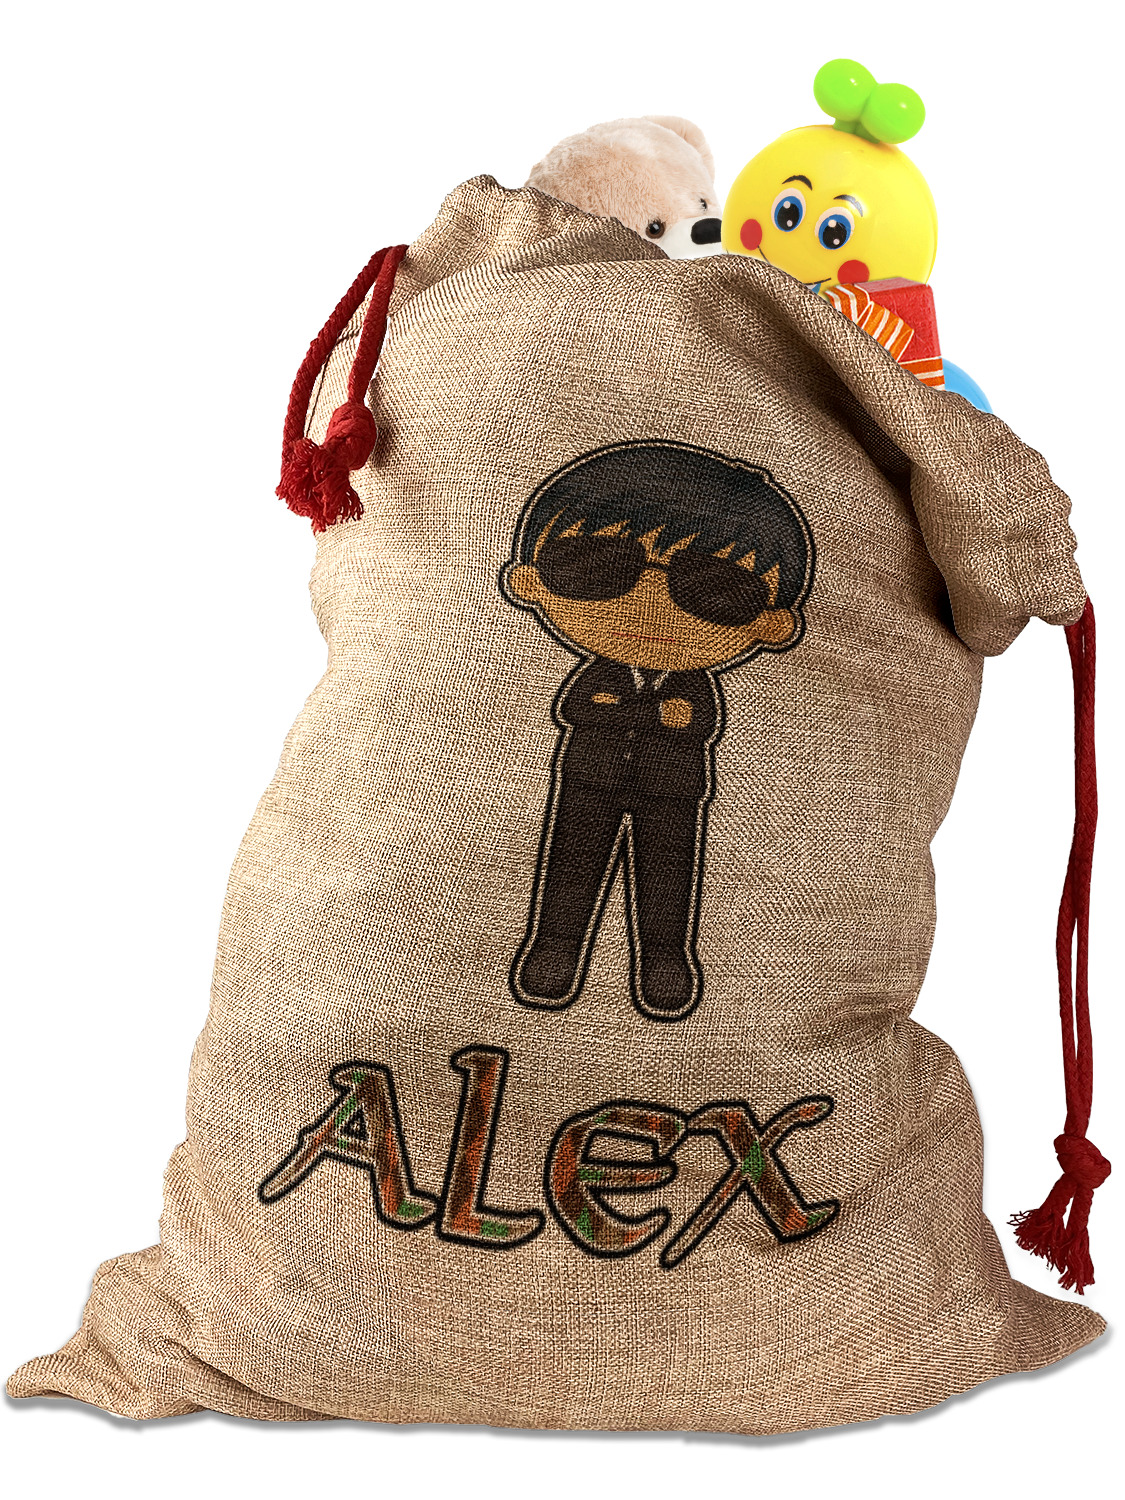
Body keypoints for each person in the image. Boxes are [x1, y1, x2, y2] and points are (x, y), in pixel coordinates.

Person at [501, 441, 814, 1022]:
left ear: (770, 624)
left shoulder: (692, 687)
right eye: (595, 567)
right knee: (571, 864)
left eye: (714, 590)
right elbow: (577, 708)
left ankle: (665, 960)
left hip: (672, 792)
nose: (650, 598)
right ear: (532, 582)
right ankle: (554, 950)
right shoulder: (602, 674)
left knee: (667, 874)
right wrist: (653, 716)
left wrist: (643, 714)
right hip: (587, 781)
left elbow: (695, 722)